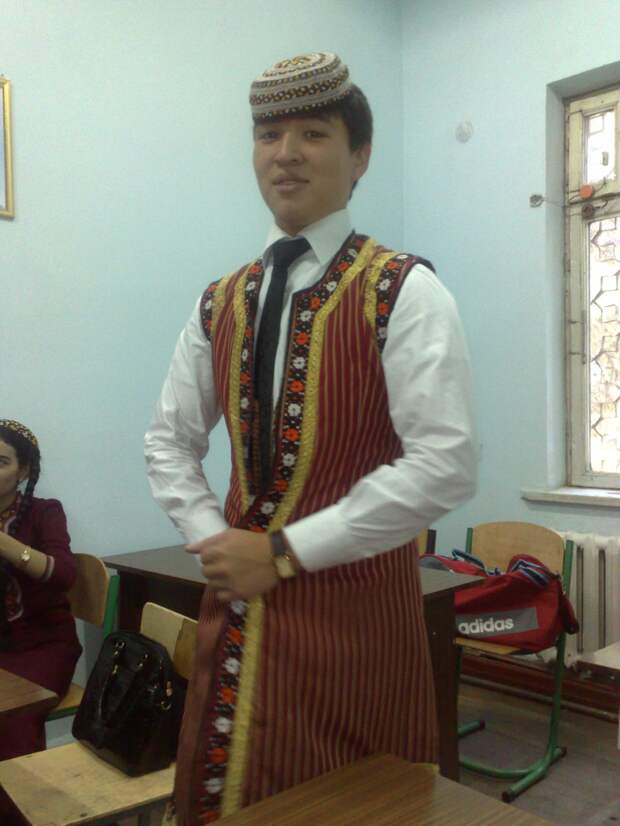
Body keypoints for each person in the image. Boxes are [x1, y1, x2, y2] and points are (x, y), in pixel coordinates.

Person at [145, 52, 476, 824]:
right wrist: (214, 538)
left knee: (355, 805)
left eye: (313, 133)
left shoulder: (404, 290)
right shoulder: (219, 300)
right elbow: (168, 439)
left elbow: (445, 465)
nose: (285, 153)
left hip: (358, 618)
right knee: (230, 798)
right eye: (269, 134)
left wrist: (284, 552)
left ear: (360, 156)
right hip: (239, 614)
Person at [0, 419, 82, 760]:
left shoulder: (45, 512)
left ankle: (20, 796)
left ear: (23, 471)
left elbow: (64, 574)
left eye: (1, 462)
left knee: (11, 719)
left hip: (44, 645)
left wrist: (4, 543)